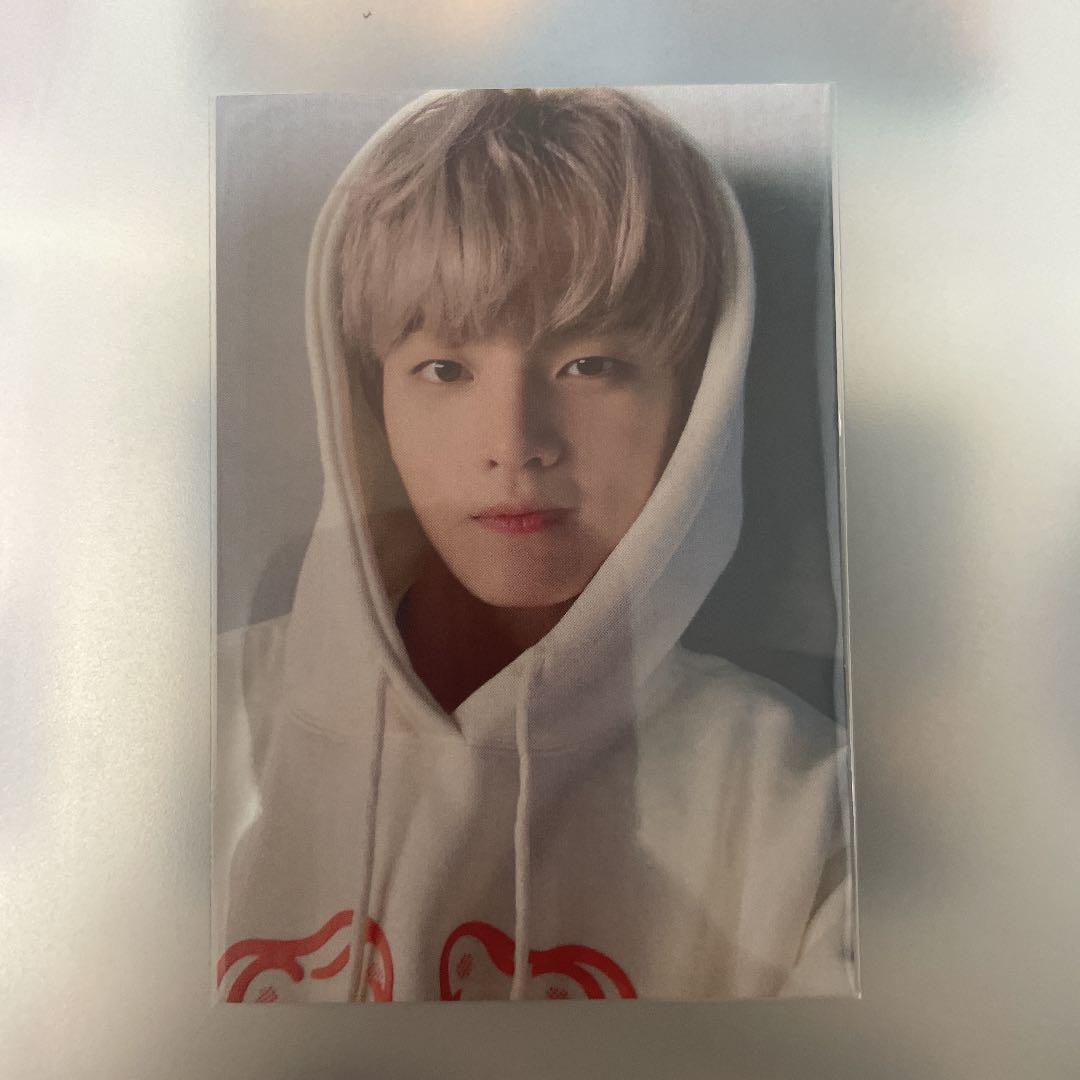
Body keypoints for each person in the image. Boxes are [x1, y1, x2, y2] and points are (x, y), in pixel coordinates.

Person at [214, 87, 855, 1002]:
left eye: (591, 364)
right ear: (367, 404)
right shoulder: (189, 731)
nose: (514, 443)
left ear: (696, 403)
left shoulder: (814, 813)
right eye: (445, 368)